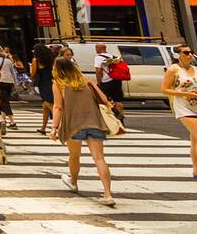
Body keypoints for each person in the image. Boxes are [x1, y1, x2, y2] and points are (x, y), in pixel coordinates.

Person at [50, 56, 116, 206]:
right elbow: (105, 99)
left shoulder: (58, 84)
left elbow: (58, 107)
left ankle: (73, 182)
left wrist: (54, 128)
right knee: (99, 158)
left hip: (73, 124)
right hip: (94, 122)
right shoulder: (86, 81)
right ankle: (108, 194)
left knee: (74, 155)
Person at [162, 44, 197, 186]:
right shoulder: (173, 70)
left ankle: (196, 170)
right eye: (186, 52)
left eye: (191, 52)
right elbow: (164, 89)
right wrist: (185, 94)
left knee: (196, 140)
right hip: (184, 107)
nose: (190, 55)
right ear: (177, 55)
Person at [93, 43, 127, 128]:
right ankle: (121, 121)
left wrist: (99, 82)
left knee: (102, 100)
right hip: (116, 81)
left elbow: (98, 71)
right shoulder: (113, 57)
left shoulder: (98, 57)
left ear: (98, 48)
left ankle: (114, 115)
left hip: (106, 81)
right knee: (118, 100)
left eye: (96, 48)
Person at [0, 44, 18, 133]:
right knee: (4, 101)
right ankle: (4, 120)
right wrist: (15, 85)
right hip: (9, 82)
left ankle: (12, 122)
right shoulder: (8, 60)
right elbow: (13, 73)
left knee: (3, 102)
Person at [30, 41, 56, 135]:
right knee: (45, 106)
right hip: (50, 81)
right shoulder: (51, 58)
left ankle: (60, 124)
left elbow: (33, 74)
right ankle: (43, 128)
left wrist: (31, 68)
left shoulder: (35, 60)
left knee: (49, 104)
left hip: (42, 82)